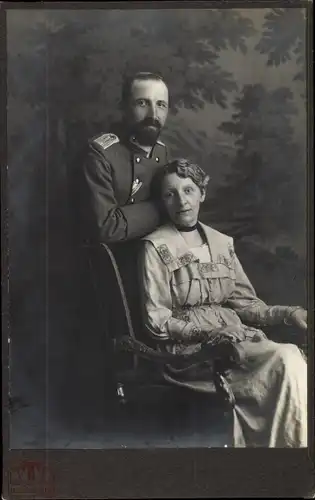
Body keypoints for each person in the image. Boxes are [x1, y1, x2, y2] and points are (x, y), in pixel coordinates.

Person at [138, 158, 308, 447]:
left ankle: (290, 453)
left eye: (189, 190)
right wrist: (207, 334)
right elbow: (156, 320)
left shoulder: (221, 243)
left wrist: (290, 314)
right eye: (170, 194)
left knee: (291, 361)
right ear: (162, 201)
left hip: (237, 341)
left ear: (202, 193)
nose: (182, 201)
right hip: (191, 355)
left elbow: (246, 306)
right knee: (284, 360)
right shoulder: (155, 247)